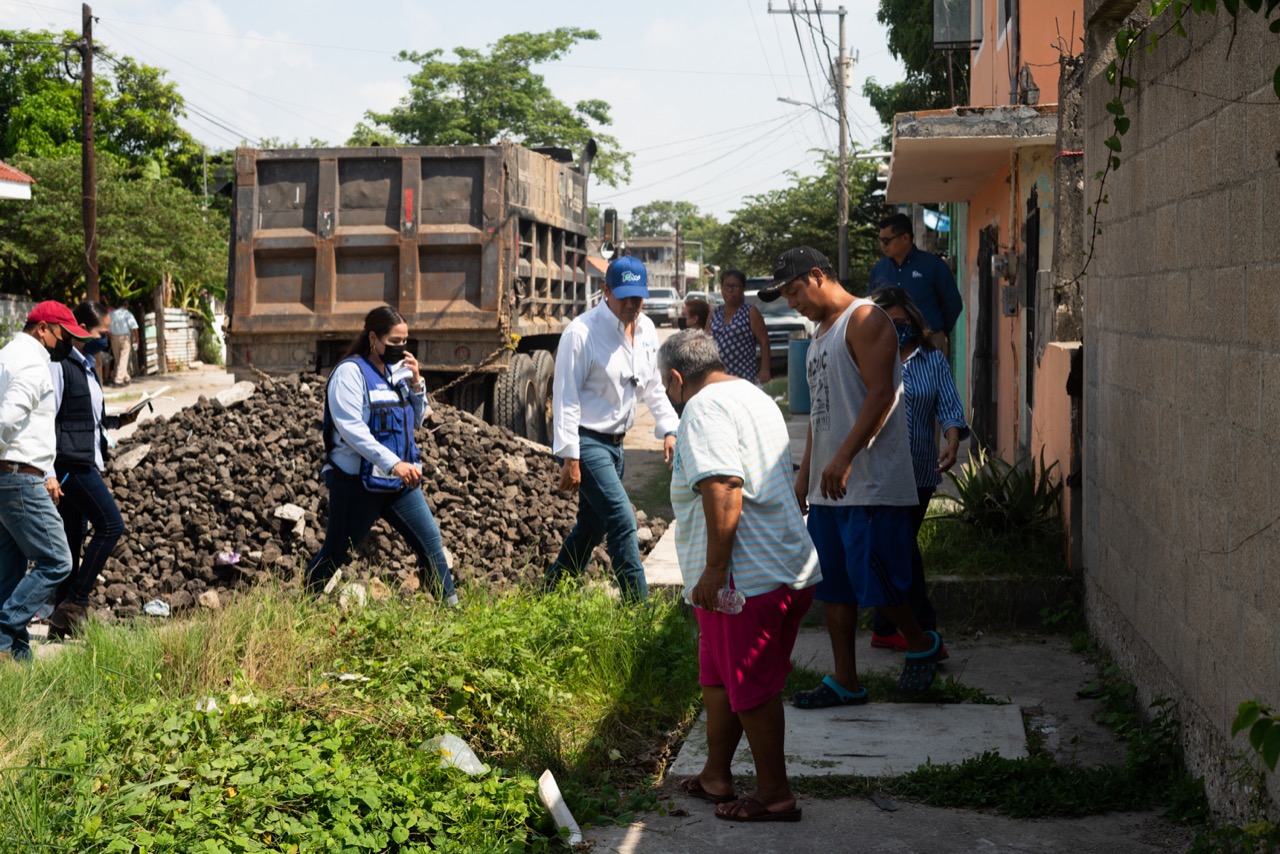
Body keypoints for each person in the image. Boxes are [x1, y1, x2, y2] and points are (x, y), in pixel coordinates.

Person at [759, 247, 944, 703]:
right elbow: (821, 413)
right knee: (835, 589)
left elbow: (883, 395)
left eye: (794, 291)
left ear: (818, 276)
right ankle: (846, 679)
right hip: (829, 490)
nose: (792, 303)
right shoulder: (819, 334)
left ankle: (921, 645)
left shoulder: (865, 320)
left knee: (881, 584)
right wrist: (804, 476)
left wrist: (843, 458)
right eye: (785, 296)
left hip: (872, 484)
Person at [660, 330, 820, 823]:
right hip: (779, 566)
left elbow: (725, 484)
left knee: (751, 688)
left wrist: (714, 568)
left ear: (675, 378)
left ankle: (775, 794)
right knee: (719, 680)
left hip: (745, 581)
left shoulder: (702, 408)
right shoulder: (751, 393)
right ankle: (716, 775)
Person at [545, 255, 680, 602]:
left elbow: (652, 386)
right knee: (622, 520)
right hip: (588, 442)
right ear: (605, 291)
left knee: (592, 527)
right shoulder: (582, 332)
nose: (632, 305)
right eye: (624, 297)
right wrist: (570, 457)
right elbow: (565, 398)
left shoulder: (647, 329)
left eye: (638, 298)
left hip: (617, 446)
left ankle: (550, 592)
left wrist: (669, 427)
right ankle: (639, 609)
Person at [304, 305, 456, 604]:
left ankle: (453, 613)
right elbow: (352, 429)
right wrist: (394, 463)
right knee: (336, 553)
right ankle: (301, 607)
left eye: (405, 342)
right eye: (395, 342)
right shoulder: (349, 373)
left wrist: (416, 383)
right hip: (356, 484)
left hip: (398, 485)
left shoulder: (396, 374)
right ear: (373, 338)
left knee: (431, 544)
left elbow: (415, 420)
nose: (401, 348)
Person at [867, 288, 970, 655]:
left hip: (920, 471)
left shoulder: (932, 360)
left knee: (901, 546)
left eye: (902, 323)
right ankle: (923, 628)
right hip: (877, 473)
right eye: (887, 324)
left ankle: (886, 627)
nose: (896, 330)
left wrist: (953, 440)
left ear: (913, 320)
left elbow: (950, 405)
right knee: (902, 549)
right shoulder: (866, 359)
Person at [0, 301, 94, 663]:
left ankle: (17, 666)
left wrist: (49, 471)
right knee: (57, 560)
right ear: (43, 329)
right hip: (21, 478)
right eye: (64, 335)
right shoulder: (32, 363)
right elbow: (8, 419)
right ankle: (5, 629)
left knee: (8, 573)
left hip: (12, 477)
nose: (68, 343)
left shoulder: (7, 355)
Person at [46, 301, 141, 639]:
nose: (107, 338)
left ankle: (60, 622)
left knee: (73, 536)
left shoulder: (85, 364)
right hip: (69, 464)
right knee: (111, 525)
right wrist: (48, 471)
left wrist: (119, 419)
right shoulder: (61, 366)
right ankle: (75, 603)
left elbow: (88, 417)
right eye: (103, 332)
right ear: (82, 329)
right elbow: (48, 417)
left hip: (82, 458)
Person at [868, 213, 963, 355]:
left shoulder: (933, 265)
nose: (882, 245)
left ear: (905, 238)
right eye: (880, 240)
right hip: (889, 345)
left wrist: (938, 331)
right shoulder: (878, 270)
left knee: (933, 378)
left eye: (886, 241)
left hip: (929, 343)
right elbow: (871, 308)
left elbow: (953, 303)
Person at [709, 269, 771, 384]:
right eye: (727, 286)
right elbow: (704, 340)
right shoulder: (714, 313)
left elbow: (764, 341)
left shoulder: (750, 312)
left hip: (743, 376)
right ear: (721, 288)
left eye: (735, 286)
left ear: (743, 289)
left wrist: (765, 370)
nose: (730, 290)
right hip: (717, 377)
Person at [108, 304, 139, 386]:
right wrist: (136, 339)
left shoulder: (111, 314)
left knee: (118, 359)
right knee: (123, 359)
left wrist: (109, 336)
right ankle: (119, 380)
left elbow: (107, 326)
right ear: (127, 306)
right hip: (124, 337)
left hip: (114, 337)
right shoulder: (127, 313)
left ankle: (126, 377)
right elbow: (134, 327)